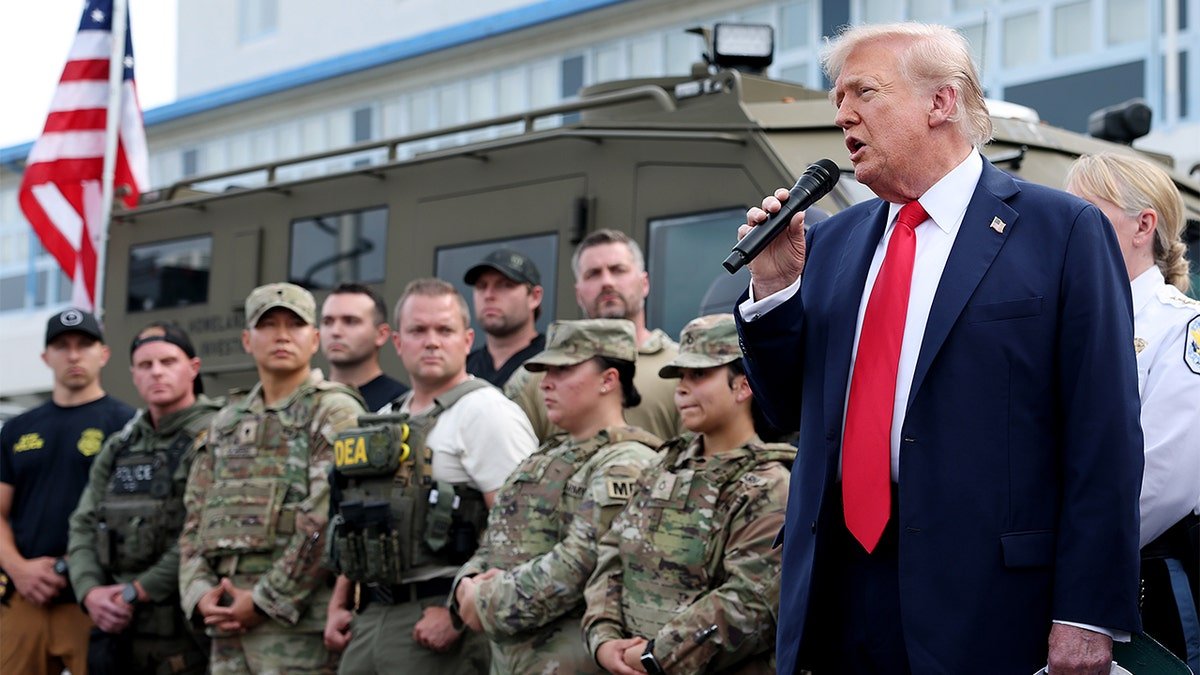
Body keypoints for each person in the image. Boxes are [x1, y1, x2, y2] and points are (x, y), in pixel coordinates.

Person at [734, 23, 1143, 674]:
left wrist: (1088, 612)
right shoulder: (831, 241)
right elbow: (781, 410)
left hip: (987, 601)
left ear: (942, 101)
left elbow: (1105, 433)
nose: (842, 115)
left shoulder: (1060, 230)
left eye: (864, 92)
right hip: (837, 590)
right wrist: (776, 290)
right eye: (838, 98)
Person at [323, 278, 535, 675]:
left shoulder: (487, 413)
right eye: (418, 330)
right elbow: (357, 517)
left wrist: (457, 615)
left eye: (445, 330)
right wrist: (339, 603)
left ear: (467, 340)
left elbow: (520, 532)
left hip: (438, 616)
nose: (432, 342)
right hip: (370, 617)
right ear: (398, 342)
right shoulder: (383, 419)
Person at [583, 313, 794, 675]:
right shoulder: (663, 466)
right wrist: (604, 639)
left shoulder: (769, 484)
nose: (681, 389)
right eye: (681, 376)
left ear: (743, 386)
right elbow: (613, 553)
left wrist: (655, 656)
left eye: (699, 375)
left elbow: (751, 601)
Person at [451, 318, 662, 673]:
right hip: (513, 658)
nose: (546, 383)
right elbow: (498, 537)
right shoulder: (546, 455)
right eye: (546, 371)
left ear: (609, 380)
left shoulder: (628, 461)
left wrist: (485, 601)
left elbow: (580, 563)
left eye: (563, 370)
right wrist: (466, 583)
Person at [178, 282, 366, 673]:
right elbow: (195, 522)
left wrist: (265, 599)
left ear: (315, 339)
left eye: (294, 325)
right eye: (268, 325)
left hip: (297, 627)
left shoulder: (334, 411)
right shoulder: (225, 423)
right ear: (247, 340)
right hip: (225, 621)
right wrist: (199, 593)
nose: (282, 335)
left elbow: (327, 518)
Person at [1066, 152, 1200, 672]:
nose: (1067, 230)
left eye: (1085, 215)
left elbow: (1161, 481)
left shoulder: (1180, 327)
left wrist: (1060, 563)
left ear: (1143, 225)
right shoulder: (1065, 319)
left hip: (1143, 584)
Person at [67, 321, 221, 674]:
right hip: (119, 633)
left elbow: (205, 532)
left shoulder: (219, 434)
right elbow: (83, 524)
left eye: (168, 362)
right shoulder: (120, 446)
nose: (157, 372)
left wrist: (138, 590)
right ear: (133, 374)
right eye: (145, 365)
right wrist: (90, 592)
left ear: (193, 368)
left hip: (189, 633)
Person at [0, 309, 136, 675]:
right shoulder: (17, 429)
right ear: (46, 357)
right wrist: (20, 569)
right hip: (24, 599)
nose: (73, 355)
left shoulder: (127, 426)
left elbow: (136, 516)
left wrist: (75, 566)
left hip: (94, 599)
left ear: (103, 354)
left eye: (84, 345)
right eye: (62, 346)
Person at [505, 229, 682, 442]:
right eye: (593, 274)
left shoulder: (682, 369)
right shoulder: (534, 378)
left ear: (644, 283)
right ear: (578, 293)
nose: (607, 282)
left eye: (618, 270)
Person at [464, 248, 546, 387]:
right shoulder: (462, 370)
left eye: (505, 285)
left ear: (534, 296)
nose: (488, 295)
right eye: (481, 286)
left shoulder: (553, 363)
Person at [320, 283, 409, 411]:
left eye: (350, 321)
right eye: (327, 322)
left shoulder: (402, 405)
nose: (335, 331)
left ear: (381, 334)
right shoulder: (304, 400)